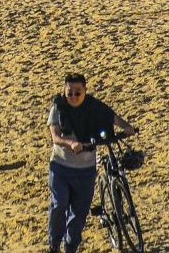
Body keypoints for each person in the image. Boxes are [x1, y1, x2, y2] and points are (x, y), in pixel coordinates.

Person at [48, 75, 136, 253]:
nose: (73, 96)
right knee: (60, 204)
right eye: (69, 93)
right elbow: (55, 137)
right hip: (61, 168)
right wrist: (71, 143)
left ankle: (71, 248)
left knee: (78, 215)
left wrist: (127, 127)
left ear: (85, 91)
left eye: (77, 93)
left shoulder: (93, 106)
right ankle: (54, 245)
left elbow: (112, 117)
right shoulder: (58, 108)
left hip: (85, 171)